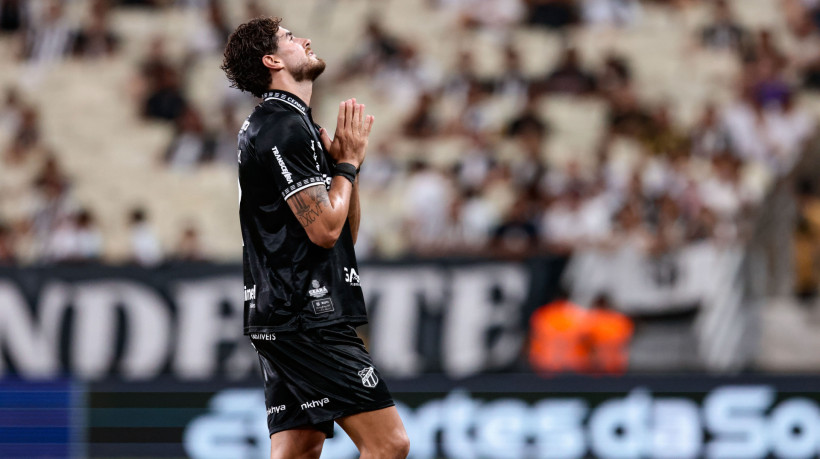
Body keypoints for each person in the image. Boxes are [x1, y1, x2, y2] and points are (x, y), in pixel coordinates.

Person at [221, 17, 410, 459]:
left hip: (286, 313)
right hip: (307, 314)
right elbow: (325, 230)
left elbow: (344, 230)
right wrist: (346, 166)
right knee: (389, 444)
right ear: (272, 60)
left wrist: (347, 166)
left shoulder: (288, 124)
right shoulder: (281, 127)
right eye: (289, 38)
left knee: (299, 449)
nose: (305, 40)